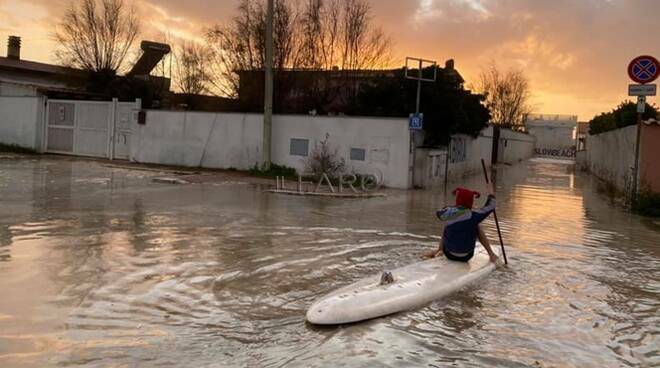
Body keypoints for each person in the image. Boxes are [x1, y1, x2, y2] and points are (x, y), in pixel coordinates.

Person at [425, 186, 499, 263]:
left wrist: (453, 209)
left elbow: (438, 212)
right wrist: (491, 194)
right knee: (477, 226)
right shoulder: (474, 216)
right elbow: (491, 206)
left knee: (447, 225)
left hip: (448, 254)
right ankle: (491, 254)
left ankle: (439, 250)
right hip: (466, 256)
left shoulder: (447, 214)